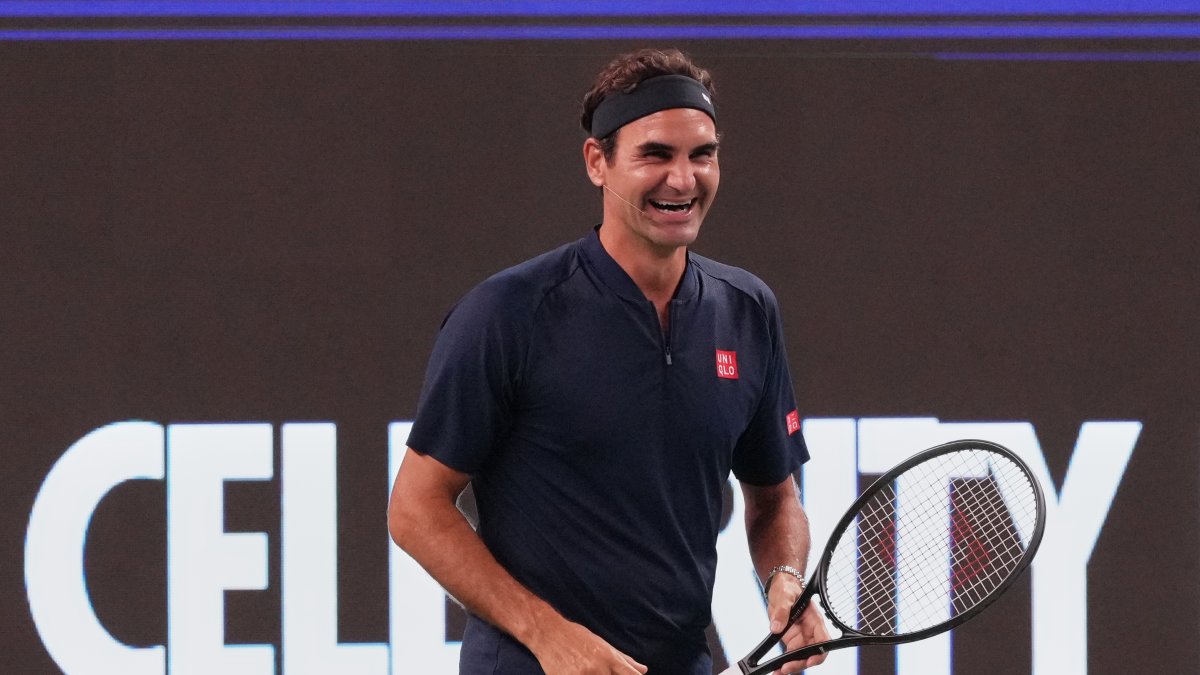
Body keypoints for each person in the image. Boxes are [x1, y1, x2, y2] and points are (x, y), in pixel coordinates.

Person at [388, 48, 829, 675]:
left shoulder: (747, 310)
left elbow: (775, 499)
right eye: (656, 154)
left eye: (702, 154)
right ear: (598, 162)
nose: (683, 179)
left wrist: (784, 582)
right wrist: (548, 635)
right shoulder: (509, 313)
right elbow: (415, 507)